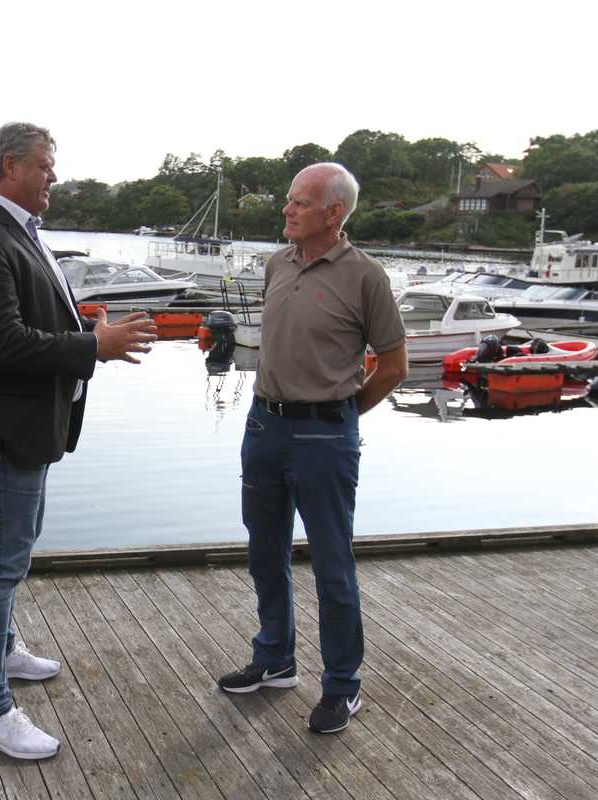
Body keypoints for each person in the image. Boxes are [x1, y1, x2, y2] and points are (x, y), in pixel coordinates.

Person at [0, 122, 157, 760]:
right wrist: (95, 347)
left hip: (30, 426)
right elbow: (3, 346)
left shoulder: (17, 232)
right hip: (5, 425)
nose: (54, 178)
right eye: (45, 166)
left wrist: (82, 326)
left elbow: (26, 324)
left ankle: (2, 652)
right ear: (10, 166)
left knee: (14, 554)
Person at [216, 163, 408, 735]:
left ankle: (343, 686)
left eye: (299, 203)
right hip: (263, 426)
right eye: (289, 201)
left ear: (334, 213)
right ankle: (275, 659)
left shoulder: (366, 277)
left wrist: (339, 415)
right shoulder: (279, 263)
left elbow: (393, 367)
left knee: (331, 565)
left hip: (325, 435)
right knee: (264, 552)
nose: (287, 210)